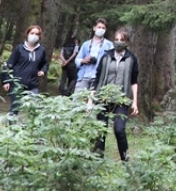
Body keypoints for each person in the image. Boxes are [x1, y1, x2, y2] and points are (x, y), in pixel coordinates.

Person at [89, 28, 139, 161]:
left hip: (121, 99)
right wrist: (91, 99)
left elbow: (134, 81)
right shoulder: (106, 56)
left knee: (119, 129)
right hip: (103, 97)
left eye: (122, 40)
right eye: (116, 39)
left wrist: (134, 102)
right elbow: (97, 78)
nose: (118, 42)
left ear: (127, 42)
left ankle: (125, 160)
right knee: (100, 129)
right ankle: (97, 160)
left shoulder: (131, 58)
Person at [2, 25, 49, 114]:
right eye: (32, 33)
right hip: (17, 83)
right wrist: (6, 81)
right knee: (15, 108)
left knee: (34, 107)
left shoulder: (41, 50)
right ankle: (12, 127)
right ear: (27, 34)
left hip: (32, 84)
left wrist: (43, 70)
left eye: (37, 34)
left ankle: (31, 127)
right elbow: (9, 64)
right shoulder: (19, 48)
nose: (34, 35)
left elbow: (45, 63)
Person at [74, 18, 112, 93]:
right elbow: (77, 60)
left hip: (98, 78)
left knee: (93, 102)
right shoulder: (86, 44)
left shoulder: (109, 45)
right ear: (94, 28)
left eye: (103, 28)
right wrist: (83, 61)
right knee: (77, 100)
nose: (101, 29)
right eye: (99, 27)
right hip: (84, 76)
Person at [58, 32, 81, 96]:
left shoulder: (65, 45)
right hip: (72, 64)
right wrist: (68, 61)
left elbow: (61, 54)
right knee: (74, 78)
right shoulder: (76, 46)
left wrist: (64, 61)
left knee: (63, 78)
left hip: (64, 64)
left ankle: (61, 91)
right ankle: (68, 91)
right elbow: (74, 54)